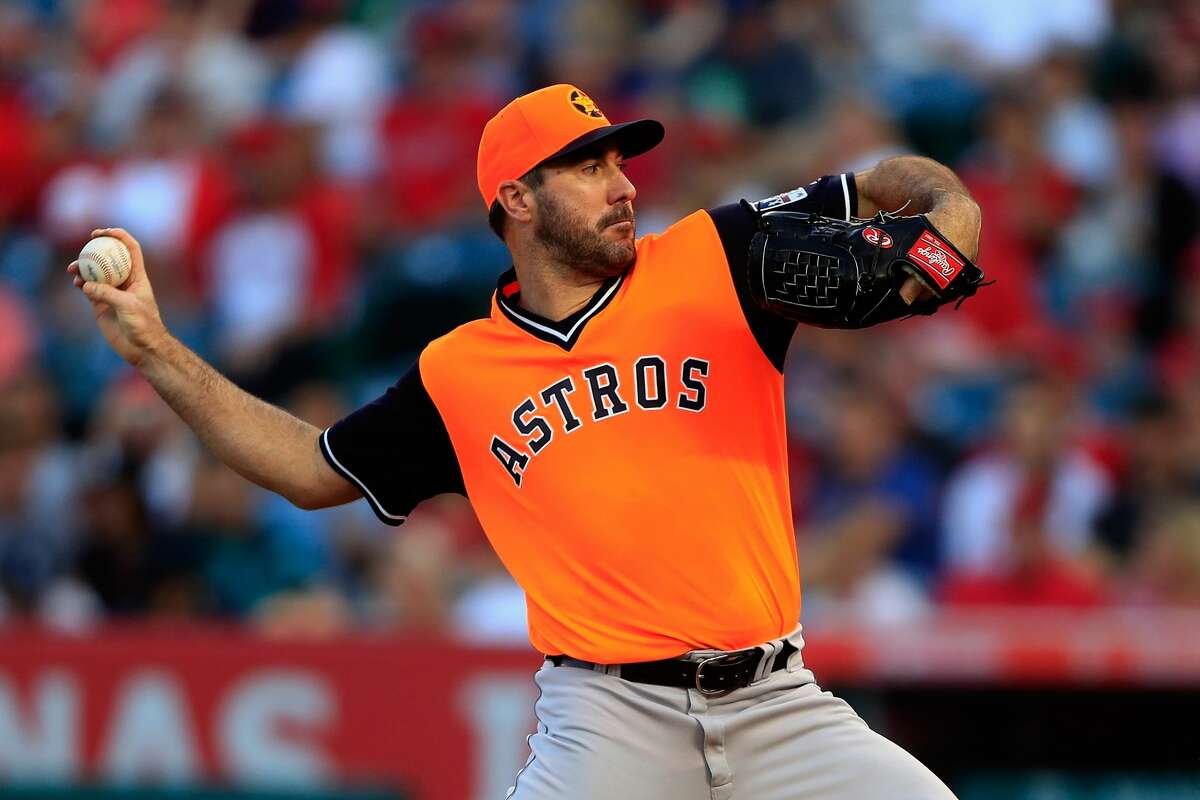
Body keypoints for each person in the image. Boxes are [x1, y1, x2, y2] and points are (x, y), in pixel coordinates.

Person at [71, 84, 981, 799]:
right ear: (517, 196)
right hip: (608, 717)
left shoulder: (720, 254)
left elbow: (901, 203)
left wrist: (939, 213)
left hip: (780, 702)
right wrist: (154, 347)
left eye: (621, 161)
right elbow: (312, 470)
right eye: (589, 165)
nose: (624, 184)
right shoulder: (458, 373)